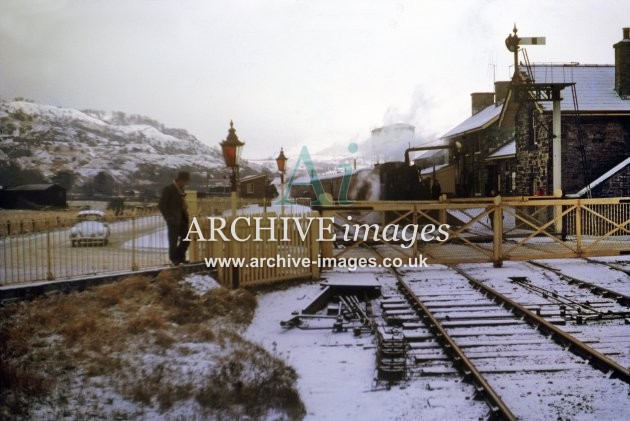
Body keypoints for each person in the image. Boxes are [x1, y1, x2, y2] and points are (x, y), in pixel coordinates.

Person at [159, 171, 191, 265]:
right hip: (173, 220)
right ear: (180, 180)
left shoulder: (181, 189)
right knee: (173, 240)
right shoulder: (168, 189)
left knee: (186, 239)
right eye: (185, 181)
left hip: (182, 219)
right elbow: (162, 205)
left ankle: (180, 257)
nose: (186, 183)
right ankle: (174, 259)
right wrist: (168, 217)